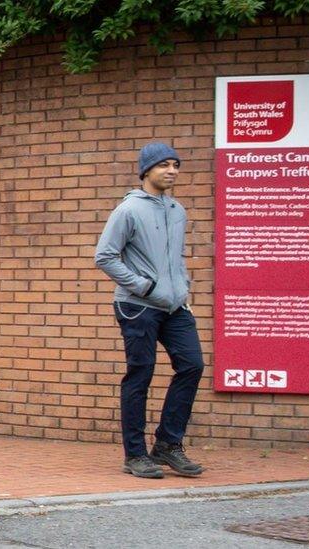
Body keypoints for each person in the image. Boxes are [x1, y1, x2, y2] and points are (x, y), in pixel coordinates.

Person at [94, 142, 206, 480]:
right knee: (140, 375)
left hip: (174, 307)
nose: (171, 170)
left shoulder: (177, 210)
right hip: (137, 305)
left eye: (175, 165)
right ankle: (135, 454)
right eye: (164, 165)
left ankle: (168, 445)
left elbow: (176, 258)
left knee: (192, 365)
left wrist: (182, 288)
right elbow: (105, 256)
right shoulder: (128, 210)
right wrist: (143, 286)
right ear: (146, 170)